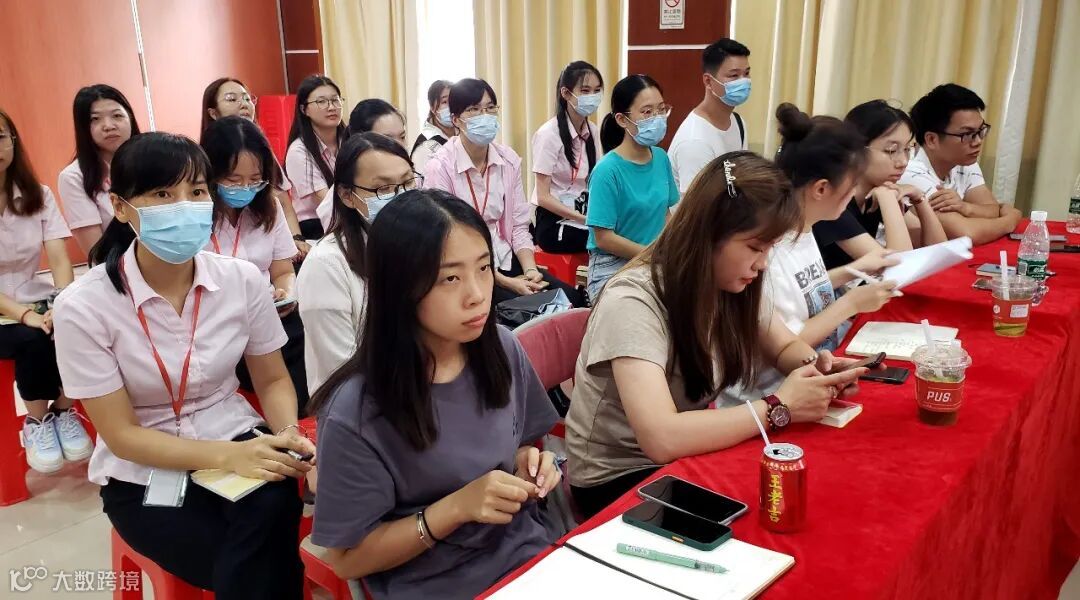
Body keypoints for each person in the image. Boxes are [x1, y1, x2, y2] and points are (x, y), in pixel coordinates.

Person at [52, 132, 313, 598]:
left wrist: (288, 433)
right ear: (120, 207)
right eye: (162, 194)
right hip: (142, 471)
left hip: (239, 439)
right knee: (254, 557)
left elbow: (272, 378)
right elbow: (122, 435)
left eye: (196, 192)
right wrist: (227, 456)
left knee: (269, 515)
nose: (184, 207)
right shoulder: (83, 307)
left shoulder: (241, 280)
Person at [565, 151, 868, 519]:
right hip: (619, 478)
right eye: (755, 247)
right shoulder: (633, 300)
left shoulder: (731, 282)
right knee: (769, 516)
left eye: (769, 249)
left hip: (682, 455)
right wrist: (778, 407)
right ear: (709, 234)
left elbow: (783, 345)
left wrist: (814, 368)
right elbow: (661, 437)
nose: (763, 263)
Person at [309, 189, 559, 599]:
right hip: (437, 585)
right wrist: (454, 510)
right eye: (450, 278)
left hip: (527, 559)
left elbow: (518, 447)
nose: (477, 293)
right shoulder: (355, 411)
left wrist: (528, 464)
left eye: (484, 268)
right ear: (401, 287)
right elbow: (348, 559)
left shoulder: (501, 348)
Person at [720, 105, 900, 407]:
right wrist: (851, 303)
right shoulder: (767, 248)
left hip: (800, 384)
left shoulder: (805, 229)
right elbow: (783, 340)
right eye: (852, 186)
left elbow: (797, 296)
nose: (854, 194)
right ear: (821, 188)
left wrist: (853, 270)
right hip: (763, 400)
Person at [424, 78, 584, 308]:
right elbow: (446, 239)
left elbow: (519, 226)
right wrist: (507, 283)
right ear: (456, 119)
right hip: (466, 268)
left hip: (505, 257)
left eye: (490, 108)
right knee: (531, 311)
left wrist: (530, 271)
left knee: (571, 300)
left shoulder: (507, 160)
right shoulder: (441, 167)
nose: (485, 115)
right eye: (474, 109)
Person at [0, 109, 92, 473]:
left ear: (12, 141)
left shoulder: (37, 195)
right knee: (32, 338)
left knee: (75, 325)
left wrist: (63, 302)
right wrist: (27, 315)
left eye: (0, 137)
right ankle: (37, 421)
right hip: (9, 313)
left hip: (33, 296)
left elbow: (58, 257)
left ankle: (64, 411)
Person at [297, 132, 420, 393]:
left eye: (408, 183)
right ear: (347, 195)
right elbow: (342, 371)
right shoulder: (326, 265)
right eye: (383, 189)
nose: (401, 196)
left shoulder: (420, 245)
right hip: (359, 401)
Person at [201, 116, 309, 411]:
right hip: (217, 320)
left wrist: (286, 293)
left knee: (301, 333)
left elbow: (283, 271)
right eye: (233, 180)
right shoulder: (197, 216)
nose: (245, 188)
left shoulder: (268, 207)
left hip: (266, 312)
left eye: (255, 180)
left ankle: (299, 414)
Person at [812, 100, 948, 270]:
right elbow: (900, 268)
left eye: (908, 149)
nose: (903, 162)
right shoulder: (832, 201)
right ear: (856, 150)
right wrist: (888, 199)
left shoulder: (876, 189)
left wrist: (919, 198)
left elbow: (939, 251)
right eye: (891, 150)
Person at [586, 74, 679, 300]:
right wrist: (652, 256)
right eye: (647, 112)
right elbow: (604, 238)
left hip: (653, 260)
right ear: (622, 119)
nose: (657, 118)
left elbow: (665, 214)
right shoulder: (607, 170)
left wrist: (673, 249)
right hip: (613, 265)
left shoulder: (661, 158)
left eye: (661, 110)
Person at [201, 77, 310, 261]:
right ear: (213, 112)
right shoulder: (202, 164)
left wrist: (296, 238)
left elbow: (284, 203)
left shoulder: (263, 156)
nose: (244, 104)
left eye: (247, 98)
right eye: (232, 99)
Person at [900, 83, 1021, 245]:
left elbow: (992, 209)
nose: (977, 142)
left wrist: (965, 208)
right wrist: (1010, 220)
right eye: (967, 134)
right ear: (932, 139)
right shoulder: (910, 172)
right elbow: (966, 233)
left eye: (981, 131)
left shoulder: (964, 160)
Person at [530, 61, 604, 255]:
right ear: (566, 93)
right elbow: (543, 197)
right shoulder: (548, 134)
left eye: (597, 91)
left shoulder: (593, 131)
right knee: (604, 239)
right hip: (553, 221)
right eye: (585, 91)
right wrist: (584, 219)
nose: (592, 96)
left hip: (583, 213)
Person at [57, 84, 141, 253]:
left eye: (117, 115)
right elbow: (96, 252)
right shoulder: (74, 177)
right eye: (95, 119)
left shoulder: (153, 161)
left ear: (130, 118)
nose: (108, 126)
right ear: (84, 128)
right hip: (117, 264)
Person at [669, 38, 751, 195]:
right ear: (708, 81)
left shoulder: (738, 122)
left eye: (746, 73)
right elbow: (697, 206)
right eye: (734, 75)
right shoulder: (695, 142)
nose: (744, 82)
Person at [315, 99, 407, 230]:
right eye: (386, 140)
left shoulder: (409, 176)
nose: (400, 147)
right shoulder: (334, 205)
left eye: (402, 137)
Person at [285, 75, 347, 241]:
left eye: (335, 100)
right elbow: (325, 201)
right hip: (316, 225)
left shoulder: (350, 141)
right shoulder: (299, 151)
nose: (331, 107)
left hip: (349, 216)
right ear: (304, 109)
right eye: (321, 101)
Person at [411, 80, 456, 175]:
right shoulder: (426, 146)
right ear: (432, 108)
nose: (452, 107)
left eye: (454, 101)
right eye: (445, 102)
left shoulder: (461, 135)